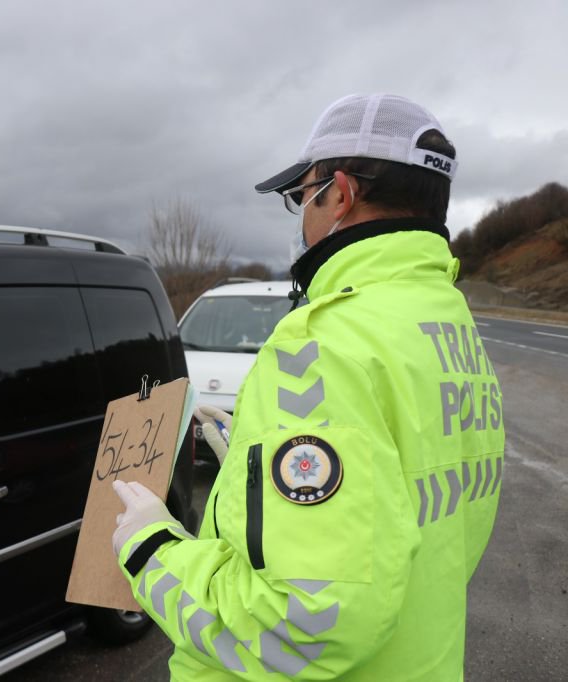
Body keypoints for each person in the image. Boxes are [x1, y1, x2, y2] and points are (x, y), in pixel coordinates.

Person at [112, 94, 504, 680]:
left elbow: (300, 630)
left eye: (302, 196)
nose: (301, 217)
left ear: (339, 194)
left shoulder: (321, 346)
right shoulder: (448, 325)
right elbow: (399, 511)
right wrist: (251, 452)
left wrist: (151, 551)